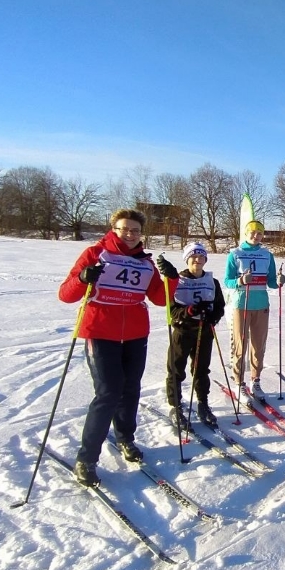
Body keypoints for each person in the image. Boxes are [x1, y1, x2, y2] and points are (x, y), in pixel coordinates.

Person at [58, 208, 171, 487]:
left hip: (135, 333)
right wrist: (83, 277)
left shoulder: (145, 262)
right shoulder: (95, 253)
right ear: (114, 229)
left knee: (130, 388)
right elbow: (66, 294)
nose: (130, 235)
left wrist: (171, 278)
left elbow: (160, 299)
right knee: (108, 392)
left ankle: (125, 438)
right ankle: (86, 458)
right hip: (100, 331)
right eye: (125, 229)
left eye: (135, 230)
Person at [164, 242, 226, 428]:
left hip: (204, 331)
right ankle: (175, 406)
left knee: (201, 369)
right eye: (193, 257)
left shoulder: (211, 281)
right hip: (183, 332)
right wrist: (189, 311)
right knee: (176, 369)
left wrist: (212, 317)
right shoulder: (178, 280)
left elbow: (220, 305)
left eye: (201, 257)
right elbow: (172, 311)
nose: (197, 260)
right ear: (187, 259)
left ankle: (202, 403)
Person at [223, 220, 284, 401]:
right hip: (241, 304)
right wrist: (240, 281)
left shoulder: (267, 255)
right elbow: (227, 281)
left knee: (259, 346)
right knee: (241, 345)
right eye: (252, 232)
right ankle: (239, 383)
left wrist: (280, 280)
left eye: (259, 233)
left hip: (261, 304)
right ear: (246, 233)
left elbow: (271, 281)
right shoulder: (235, 254)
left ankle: (255, 381)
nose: (256, 236)